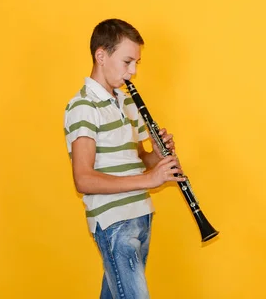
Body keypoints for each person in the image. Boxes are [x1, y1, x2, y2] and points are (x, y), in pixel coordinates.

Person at [63, 18, 186, 298]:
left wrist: (158, 157)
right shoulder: (82, 106)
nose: (132, 72)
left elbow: (139, 159)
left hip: (141, 215)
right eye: (127, 62)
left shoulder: (126, 101)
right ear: (101, 55)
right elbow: (83, 179)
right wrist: (149, 178)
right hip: (114, 223)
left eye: (136, 64)